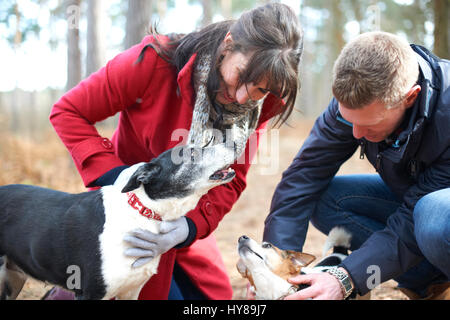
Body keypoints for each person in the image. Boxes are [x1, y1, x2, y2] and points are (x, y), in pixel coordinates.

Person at [45, 3, 303, 300]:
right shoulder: (154, 61)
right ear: (228, 44)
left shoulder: (258, 107)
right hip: (124, 216)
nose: (243, 97)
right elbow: (69, 112)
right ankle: (67, 288)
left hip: (181, 223)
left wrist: (187, 228)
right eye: (243, 76)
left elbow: (231, 178)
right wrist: (121, 180)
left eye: (260, 89)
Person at [263, 31, 450, 300]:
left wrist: (347, 277)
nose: (356, 134)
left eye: (370, 124)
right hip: (417, 205)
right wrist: (278, 267)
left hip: (439, 214)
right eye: (350, 120)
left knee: (433, 217)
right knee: (326, 199)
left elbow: (411, 218)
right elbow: (304, 176)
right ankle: (429, 285)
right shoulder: (355, 103)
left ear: (410, 97)